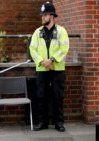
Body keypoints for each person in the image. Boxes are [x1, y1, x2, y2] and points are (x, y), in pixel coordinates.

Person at [29, 2, 69, 132]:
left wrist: (52, 60)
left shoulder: (61, 31)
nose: (42, 17)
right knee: (41, 96)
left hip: (57, 69)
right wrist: (42, 61)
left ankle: (59, 123)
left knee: (58, 96)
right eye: (42, 15)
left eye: (45, 15)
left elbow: (64, 48)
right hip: (42, 69)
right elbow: (32, 49)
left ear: (52, 16)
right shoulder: (37, 32)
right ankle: (42, 122)